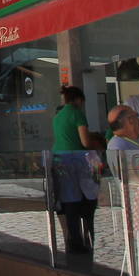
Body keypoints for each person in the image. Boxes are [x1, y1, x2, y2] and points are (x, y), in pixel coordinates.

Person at [48, 85, 98, 255]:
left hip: (59, 159)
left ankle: (72, 239)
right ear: (79, 100)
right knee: (85, 198)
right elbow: (85, 142)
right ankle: (84, 238)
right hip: (76, 160)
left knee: (68, 201)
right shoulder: (77, 114)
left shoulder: (58, 116)